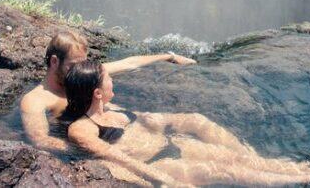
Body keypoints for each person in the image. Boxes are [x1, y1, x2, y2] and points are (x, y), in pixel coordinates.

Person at [63, 60, 310, 187]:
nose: (113, 79)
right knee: (232, 172)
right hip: (156, 165)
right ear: (97, 92)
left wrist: (185, 123)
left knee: (241, 160)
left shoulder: (113, 106)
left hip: (176, 147)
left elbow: (154, 123)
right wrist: (161, 180)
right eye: (107, 79)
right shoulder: (81, 128)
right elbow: (116, 157)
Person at [20, 31, 198, 153]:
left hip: (121, 126)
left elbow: (129, 63)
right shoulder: (35, 100)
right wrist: (94, 147)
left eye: (83, 63)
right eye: (74, 65)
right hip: (103, 142)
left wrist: (169, 57)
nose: (81, 69)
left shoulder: (82, 74)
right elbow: (40, 140)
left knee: (193, 124)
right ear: (54, 61)